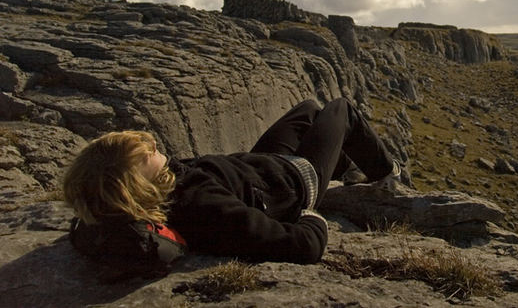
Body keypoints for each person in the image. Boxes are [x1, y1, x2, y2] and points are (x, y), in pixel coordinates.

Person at [63, 98, 401, 273]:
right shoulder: (205, 207)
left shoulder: (121, 206)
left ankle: (340, 164)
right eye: (142, 153)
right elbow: (303, 246)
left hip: (261, 166)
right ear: (134, 183)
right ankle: (387, 175)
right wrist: (312, 212)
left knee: (310, 109)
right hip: (295, 180)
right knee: (341, 109)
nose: (151, 144)